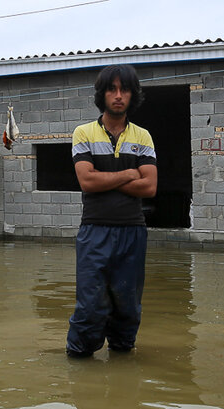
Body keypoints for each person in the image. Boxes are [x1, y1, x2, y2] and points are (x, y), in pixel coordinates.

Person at [66, 64, 157, 358]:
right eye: (112, 89)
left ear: (132, 95)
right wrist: (129, 174)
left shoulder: (143, 137)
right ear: (102, 94)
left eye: (125, 90)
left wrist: (106, 178)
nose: (118, 96)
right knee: (91, 304)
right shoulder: (83, 133)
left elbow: (150, 188)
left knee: (127, 303)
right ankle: (79, 361)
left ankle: (122, 361)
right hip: (94, 231)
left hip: (132, 231)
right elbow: (87, 181)